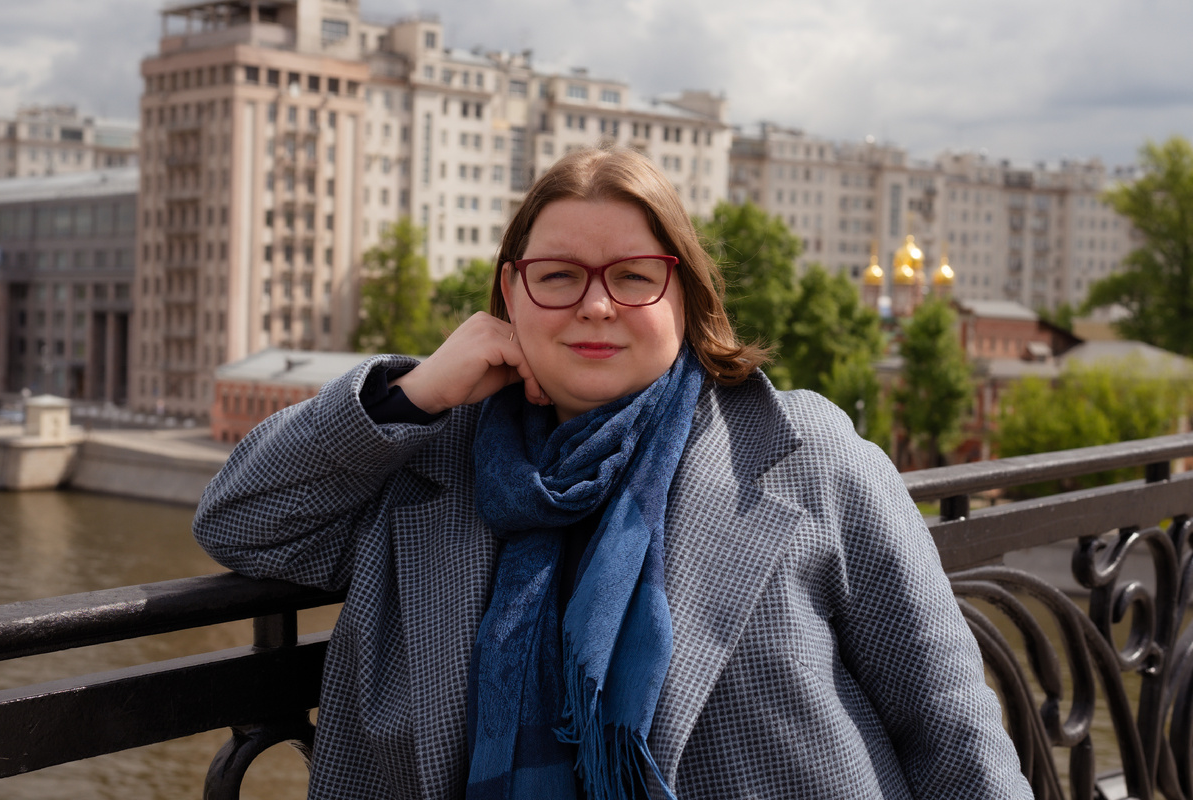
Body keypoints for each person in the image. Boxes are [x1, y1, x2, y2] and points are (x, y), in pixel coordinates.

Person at [194, 145, 1032, 800]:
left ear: (685, 296)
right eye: (558, 277)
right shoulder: (431, 457)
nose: (596, 305)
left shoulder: (803, 452)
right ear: (510, 294)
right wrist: (415, 393)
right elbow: (241, 521)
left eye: (634, 277)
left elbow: (951, 727)